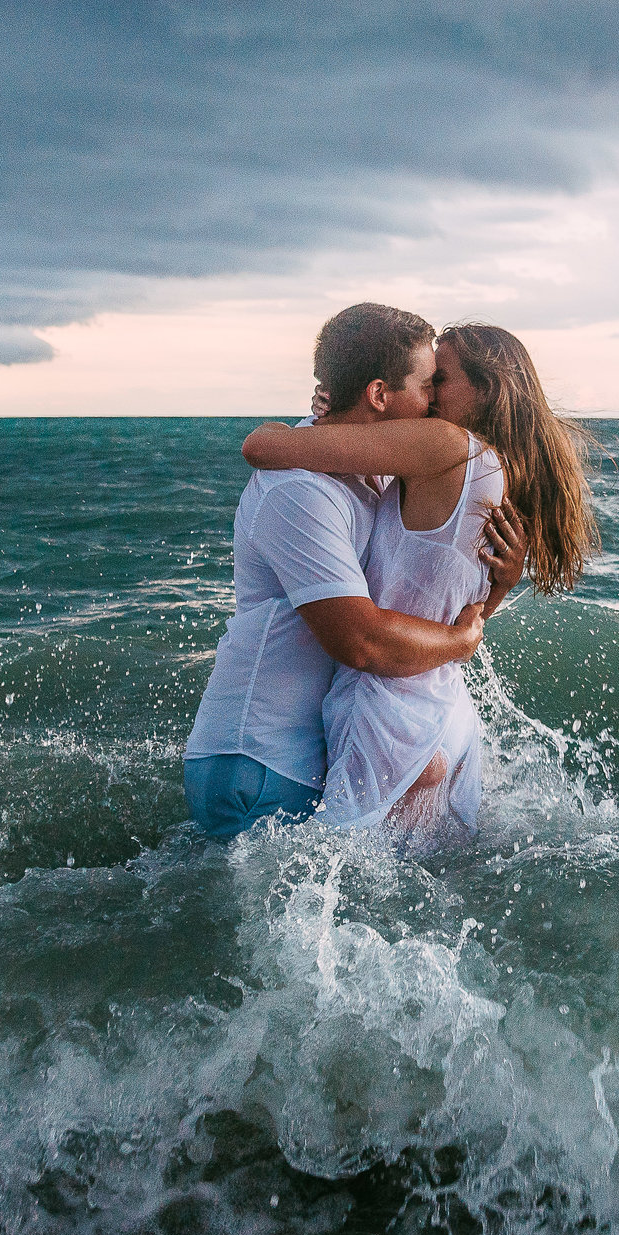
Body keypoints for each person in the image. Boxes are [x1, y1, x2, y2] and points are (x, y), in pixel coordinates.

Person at [239, 321, 598, 845]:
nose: (429, 396)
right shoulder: (492, 467)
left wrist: (270, 431)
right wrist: (501, 588)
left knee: (323, 881)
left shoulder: (444, 444)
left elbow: (270, 451)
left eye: (441, 379)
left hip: (385, 710)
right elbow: (459, 610)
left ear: (485, 391)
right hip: (439, 707)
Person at [183, 304, 525, 839]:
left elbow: (417, 584)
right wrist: (462, 641)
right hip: (258, 762)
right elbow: (362, 643)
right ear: (379, 394)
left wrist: (494, 584)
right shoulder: (301, 490)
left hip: (308, 754)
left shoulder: (373, 477)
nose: (433, 399)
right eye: (426, 383)